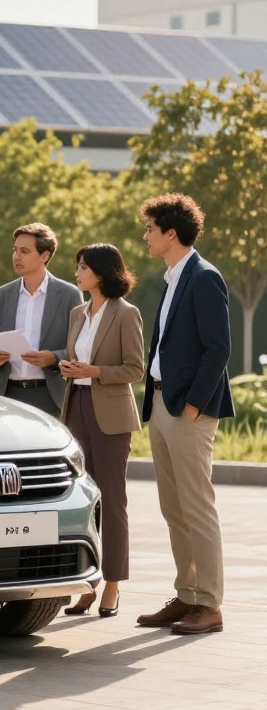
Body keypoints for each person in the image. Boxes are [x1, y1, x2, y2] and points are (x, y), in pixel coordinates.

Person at [136, 194, 233, 636]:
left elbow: (219, 349)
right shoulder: (173, 277)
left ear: (170, 233)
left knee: (197, 508)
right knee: (173, 508)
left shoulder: (204, 277)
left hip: (188, 411)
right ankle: (188, 595)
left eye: (150, 229)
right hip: (161, 404)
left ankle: (209, 604)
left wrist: (194, 405)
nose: (146, 237)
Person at [58, 244, 144, 618]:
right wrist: (70, 368)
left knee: (112, 501)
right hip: (74, 408)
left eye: (83, 267)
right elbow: (78, 358)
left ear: (102, 272)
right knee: (81, 501)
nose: (77, 273)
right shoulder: (78, 312)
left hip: (110, 415)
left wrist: (94, 372)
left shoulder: (126, 314)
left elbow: (134, 369)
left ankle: (112, 584)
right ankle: (87, 583)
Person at [0, 222, 82, 416]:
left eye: (24, 251)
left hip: (51, 394)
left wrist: (53, 358)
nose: (16, 256)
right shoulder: (1, 295)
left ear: (44, 256)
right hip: (8, 395)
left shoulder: (69, 294)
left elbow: (78, 347)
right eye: (15, 250)